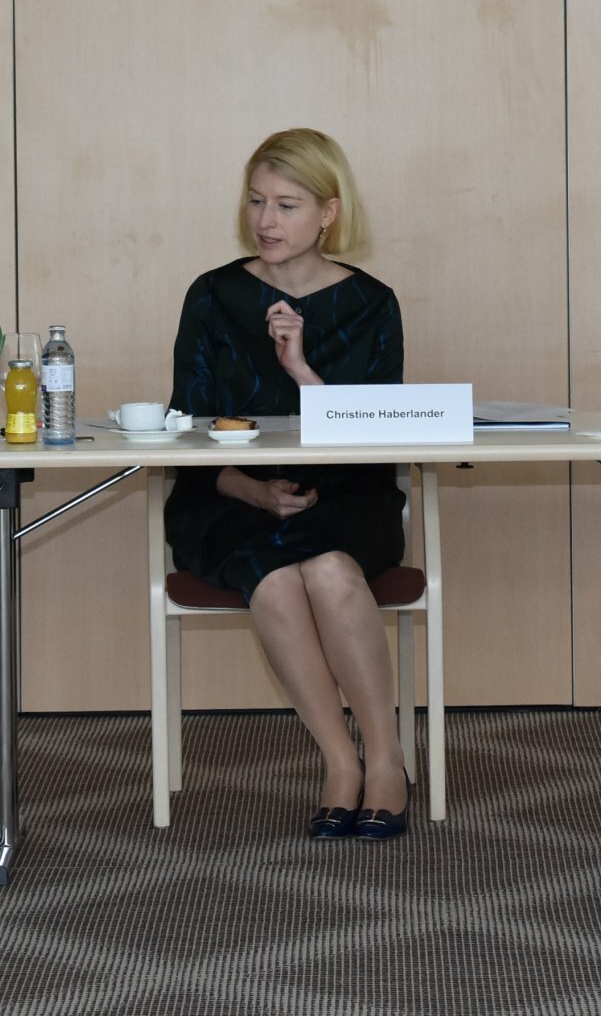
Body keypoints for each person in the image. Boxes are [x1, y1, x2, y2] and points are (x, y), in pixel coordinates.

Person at [165, 128, 412, 840]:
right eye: (256, 202)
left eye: (287, 204)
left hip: (346, 494)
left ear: (329, 212)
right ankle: (340, 761)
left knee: (331, 570)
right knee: (275, 578)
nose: (266, 221)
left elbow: (379, 430)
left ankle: (387, 760)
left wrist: (302, 370)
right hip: (224, 496)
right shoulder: (212, 296)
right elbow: (187, 421)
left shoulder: (372, 304)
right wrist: (244, 486)